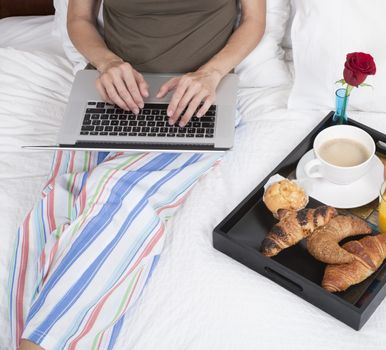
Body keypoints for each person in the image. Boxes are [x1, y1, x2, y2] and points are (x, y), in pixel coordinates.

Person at [9, 0, 265, 349]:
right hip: (111, 94)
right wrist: (107, 62)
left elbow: (253, 20)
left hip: (197, 100)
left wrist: (213, 73)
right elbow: (80, 18)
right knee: (59, 203)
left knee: (119, 190)